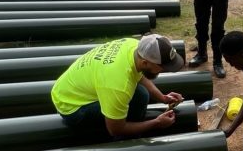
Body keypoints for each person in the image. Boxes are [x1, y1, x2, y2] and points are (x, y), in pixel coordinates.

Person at [51, 34, 185, 139]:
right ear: (145, 62)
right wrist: (156, 123)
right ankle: (124, 146)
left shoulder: (133, 46)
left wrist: (163, 98)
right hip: (71, 107)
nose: (163, 71)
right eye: (162, 67)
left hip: (70, 87)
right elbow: (116, 129)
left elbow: (140, 76)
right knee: (130, 106)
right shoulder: (118, 85)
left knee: (142, 95)